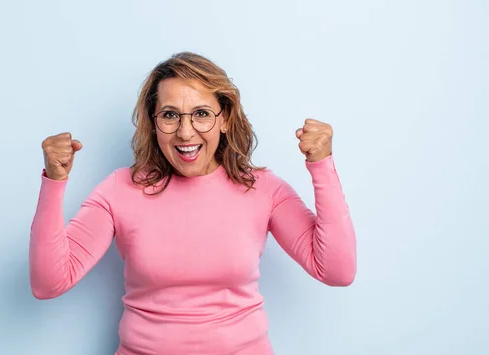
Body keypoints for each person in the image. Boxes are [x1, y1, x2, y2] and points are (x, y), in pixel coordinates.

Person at [29, 52, 357, 355]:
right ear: (153, 121)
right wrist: (54, 181)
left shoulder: (263, 189)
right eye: (170, 115)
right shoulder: (120, 189)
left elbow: (336, 271)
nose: (186, 133)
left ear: (225, 118)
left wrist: (322, 165)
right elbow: (49, 283)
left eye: (201, 114)